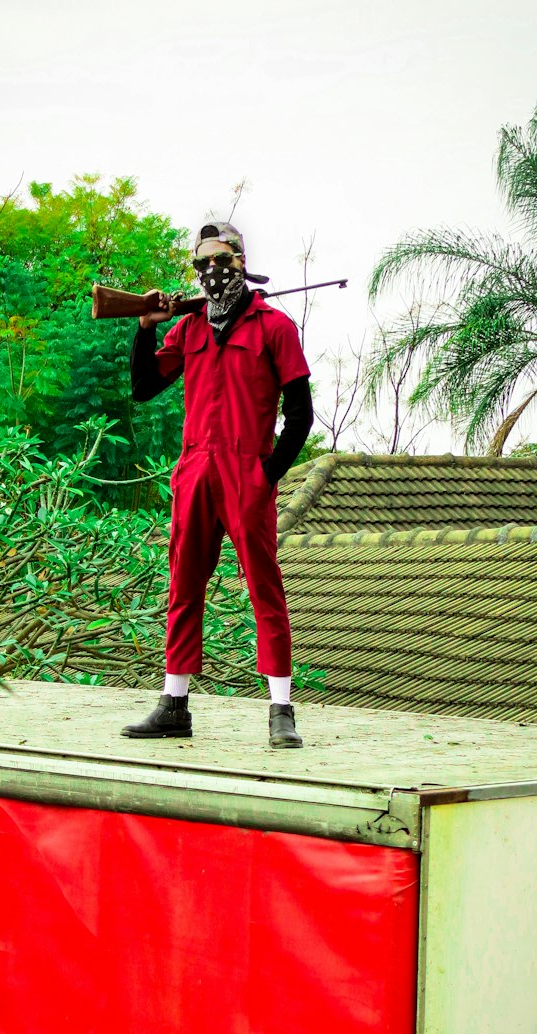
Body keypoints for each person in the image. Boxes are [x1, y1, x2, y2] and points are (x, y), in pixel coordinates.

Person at [121, 221, 314, 749]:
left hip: (246, 472)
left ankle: (281, 710)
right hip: (195, 472)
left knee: (264, 588)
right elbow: (142, 389)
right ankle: (173, 704)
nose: (211, 270)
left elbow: (300, 413)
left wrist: (266, 474)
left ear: (241, 262)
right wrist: (144, 327)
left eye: (222, 259)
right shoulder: (188, 329)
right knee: (184, 585)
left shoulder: (273, 326)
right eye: (201, 261)